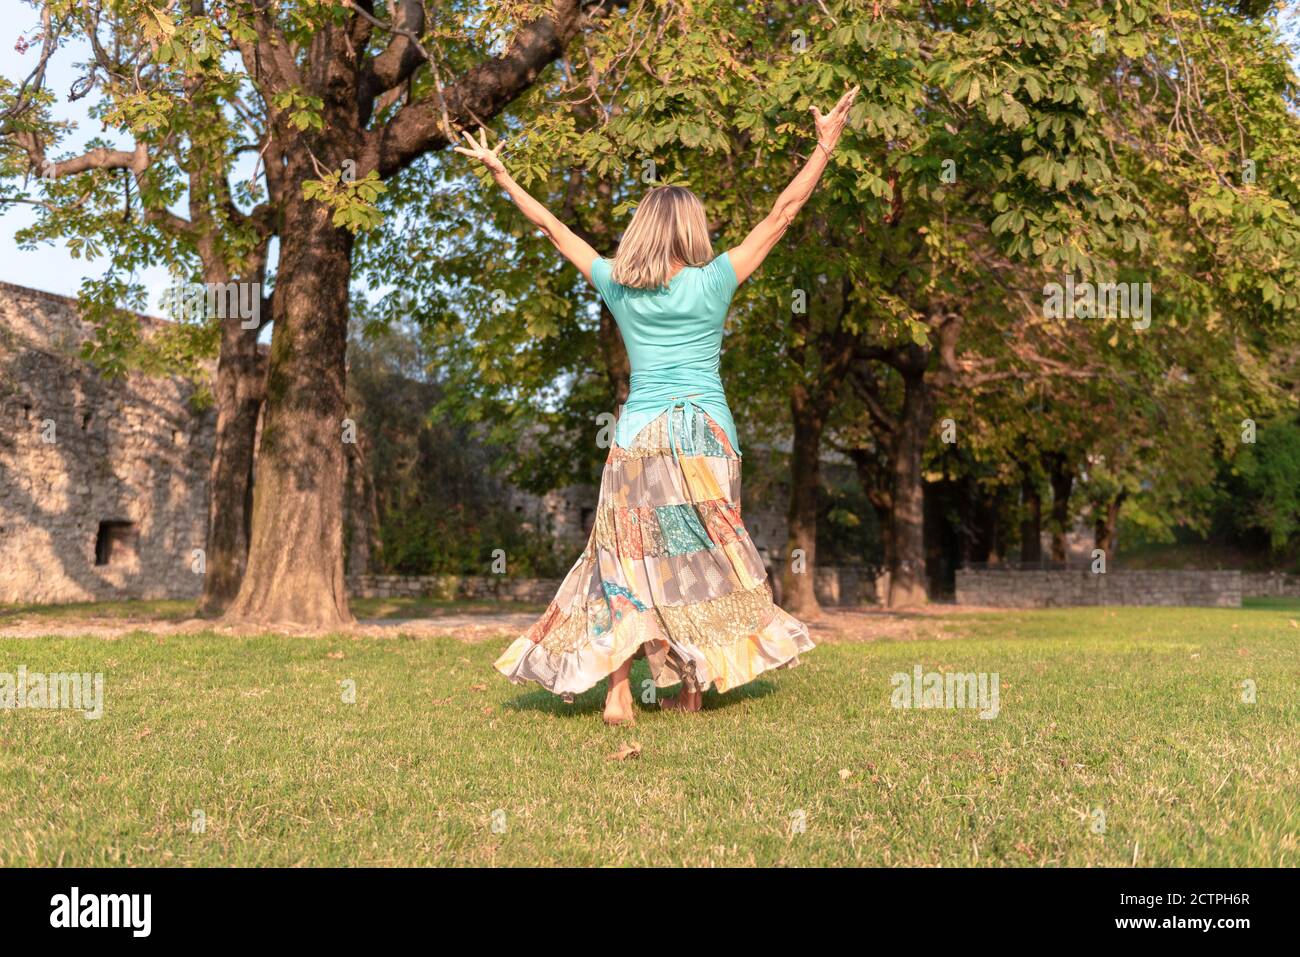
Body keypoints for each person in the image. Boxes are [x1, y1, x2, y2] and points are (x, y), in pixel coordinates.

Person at [459, 86, 860, 725]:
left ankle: (619, 692)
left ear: (644, 228)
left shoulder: (618, 283)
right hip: (703, 437)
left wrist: (504, 174)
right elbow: (783, 214)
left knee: (621, 558)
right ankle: (690, 689)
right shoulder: (714, 281)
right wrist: (823, 148)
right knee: (698, 559)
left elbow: (552, 229)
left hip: (638, 437)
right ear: (691, 229)